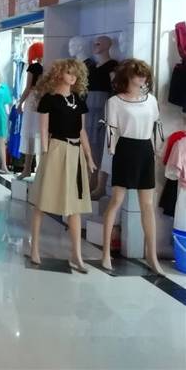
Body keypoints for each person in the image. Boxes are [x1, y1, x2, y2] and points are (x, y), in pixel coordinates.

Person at [28, 58, 95, 273]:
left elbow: (81, 130)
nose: (73, 77)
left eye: (75, 73)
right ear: (59, 74)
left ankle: (76, 254)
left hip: (75, 152)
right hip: (56, 149)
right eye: (68, 72)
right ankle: (34, 247)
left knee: (75, 205)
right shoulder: (49, 99)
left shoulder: (78, 100)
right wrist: (45, 153)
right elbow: (43, 129)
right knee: (43, 200)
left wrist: (89, 156)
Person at [100, 59, 164, 275]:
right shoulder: (114, 102)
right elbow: (111, 133)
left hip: (145, 150)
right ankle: (106, 253)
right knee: (116, 200)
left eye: (144, 74)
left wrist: (157, 151)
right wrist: (111, 154)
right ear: (127, 76)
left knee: (147, 205)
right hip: (125, 150)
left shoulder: (151, 100)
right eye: (138, 74)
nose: (142, 78)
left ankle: (152, 256)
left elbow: (156, 127)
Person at [17, 41, 44, 179]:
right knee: (40, 133)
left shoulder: (33, 67)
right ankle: (39, 169)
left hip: (33, 99)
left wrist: (20, 103)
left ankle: (27, 168)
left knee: (29, 134)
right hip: (43, 99)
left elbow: (28, 88)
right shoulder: (48, 67)